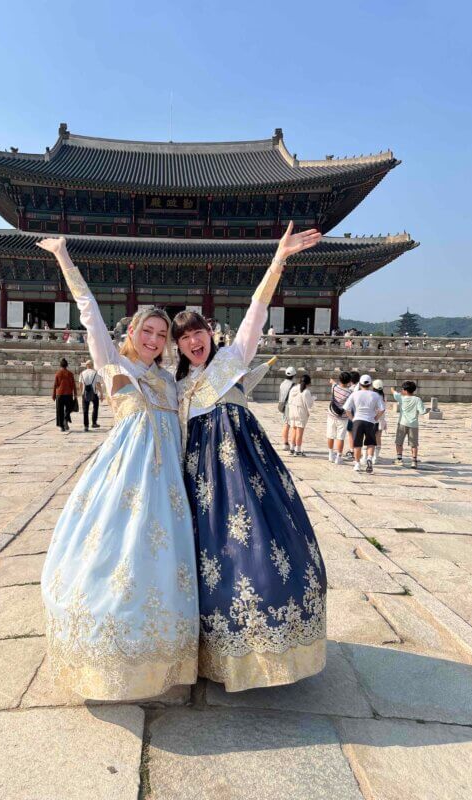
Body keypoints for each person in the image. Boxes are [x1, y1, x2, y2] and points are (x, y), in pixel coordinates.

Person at [37, 237, 198, 702]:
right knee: (114, 554)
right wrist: (63, 257)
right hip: (124, 475)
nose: (153, 339)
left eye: (161, 335)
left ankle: (160, 652)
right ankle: (105, 648)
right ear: (133, 332)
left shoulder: (169, 379)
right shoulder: (115, 363)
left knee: (163, 560)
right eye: (147, 330)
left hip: (167, 481)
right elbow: (87, 308)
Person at [172, 220, 327, 692]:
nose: (193, 341)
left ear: (209, 333)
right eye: (183, 338)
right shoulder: (178, 389)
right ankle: (215, 651)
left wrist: (278, 259)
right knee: (211, 556)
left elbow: (258, 308)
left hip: (248, 473)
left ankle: (269, 644)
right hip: (201, 484)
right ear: (177, 347)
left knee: (263, 547)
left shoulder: (233, 359)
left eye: (197, 331)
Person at [343, 374, 385, 473]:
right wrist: (376, 418)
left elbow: (346, 409)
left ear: (360, 384)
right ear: (370, 384)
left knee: (357, 444)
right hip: (370, 421)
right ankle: (369, 458)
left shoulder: (355, 394)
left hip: (357, 420)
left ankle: (357, 464)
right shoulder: (375, 395)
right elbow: (382, 409)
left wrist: (352, 419)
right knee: (370, 442)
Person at [391, 380, 427, 468]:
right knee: (414, 444)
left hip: (402, 423)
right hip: (414, 424)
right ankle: (414, 461)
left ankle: (399, 459)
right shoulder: (417, 399)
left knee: (399, 442)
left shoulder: (401, 398)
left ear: (405, 390)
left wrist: (392, 389)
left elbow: (394, 393)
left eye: (402, 389)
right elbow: (422, 412)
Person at [327, 371, 352, 464]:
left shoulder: (334, 388)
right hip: (343, 417)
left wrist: (332, 381)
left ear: (340, 379)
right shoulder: (349, 392)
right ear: (349, 381)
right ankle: (338, 457)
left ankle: (330, 455)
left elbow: (333, 383)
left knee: (330, 435)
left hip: (332, 414)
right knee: (340, 437)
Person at [287, 373, 314, 456]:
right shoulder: (306, 392)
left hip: (292, 411)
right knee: (299, 432)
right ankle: (297, 450)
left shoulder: (293, 388)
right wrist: (313, 399)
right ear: (308, 382)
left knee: (293, 429)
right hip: (300, 412)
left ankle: (292, 448)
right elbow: (309, 405)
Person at [78, 359, 103, 432]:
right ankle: (94, 423)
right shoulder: (95, 373)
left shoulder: (82, 373)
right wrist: (101, 393)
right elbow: (98, 385)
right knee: (95, 408)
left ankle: (86, 426)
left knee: (85, 410)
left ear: (86, 365)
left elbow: (80, 385)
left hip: (85, 393)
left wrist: (81, 393)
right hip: (94, 393)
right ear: (92, 365)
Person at [52, 358, 77, 432]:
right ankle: (66, 419)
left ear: (60, 365)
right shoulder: (70, 374)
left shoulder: (58, 373)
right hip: (68, 394)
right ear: (67, 365)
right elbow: (73, 385)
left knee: (59, 410)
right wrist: (75, 393)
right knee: (69, 408)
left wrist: (53, 395)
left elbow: (55, 385)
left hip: (59, 394)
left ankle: (62, 427)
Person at [277, 366, 297, 451]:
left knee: (286, 424)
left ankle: (285, 443)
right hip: (291, 406)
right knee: (293, 425)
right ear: (294, 375)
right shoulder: (294, 385)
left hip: (283, 405)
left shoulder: (282, 384)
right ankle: (293, 445)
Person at [344, 370, 361, 460]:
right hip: (361, 414)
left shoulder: (350, 390)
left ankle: (352, 451)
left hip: (353, 413)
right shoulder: (361, 388)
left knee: (351, 433)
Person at [372, 379, 387, 463]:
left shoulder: (372, 396)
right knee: (378, 438)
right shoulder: (384, 396)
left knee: (369, 438)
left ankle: (368, 455)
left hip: (373, 419)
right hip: (381, 419)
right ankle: (376, 457)